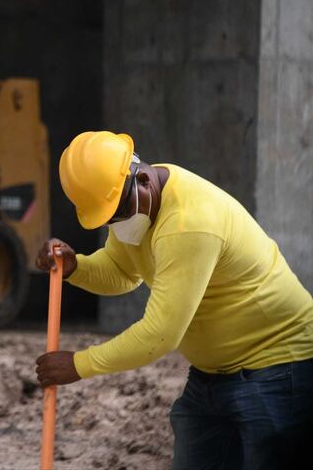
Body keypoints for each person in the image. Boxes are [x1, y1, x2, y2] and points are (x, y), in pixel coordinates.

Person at [35, 131, 313, 470]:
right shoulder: (135, 204)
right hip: (212, 378)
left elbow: (160, 334)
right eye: (108, 220)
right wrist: (76, 267)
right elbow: (123, 272)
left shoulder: (189, 223)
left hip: (278, 369)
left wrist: (79, 364)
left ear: (143, 179)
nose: (116, 226)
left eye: (118, 214)